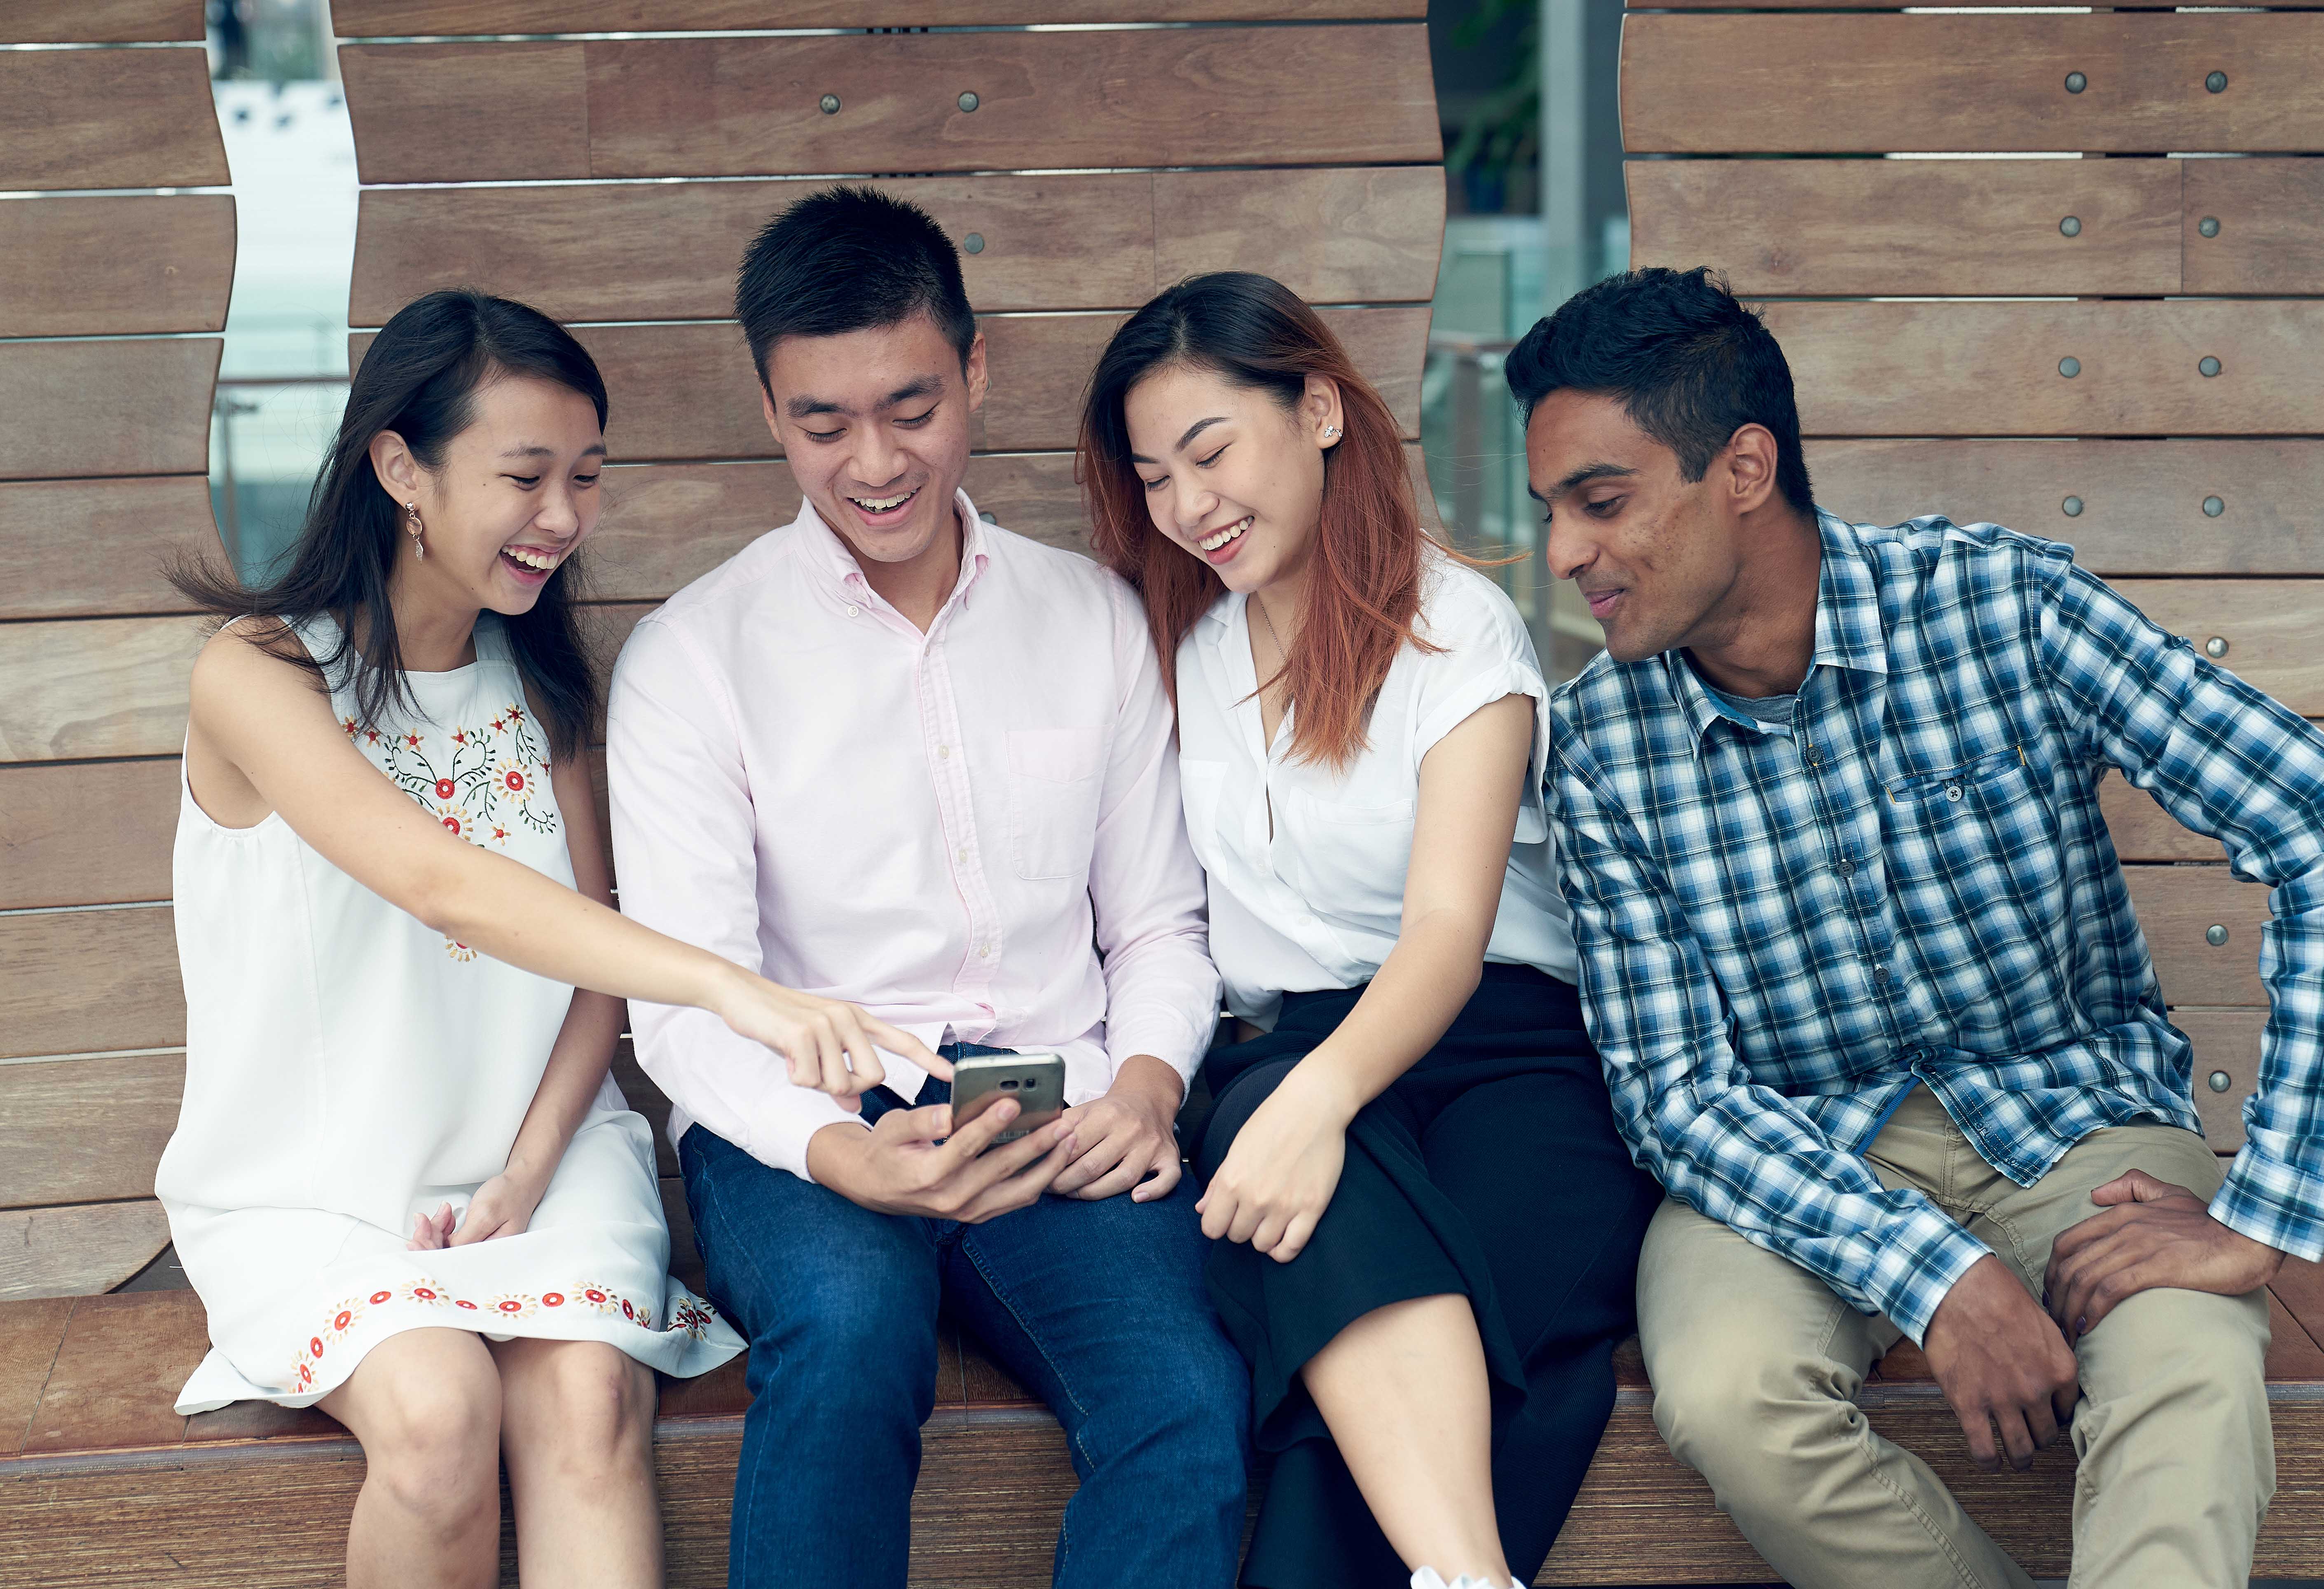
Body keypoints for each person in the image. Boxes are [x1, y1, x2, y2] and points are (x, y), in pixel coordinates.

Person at [1518, 266, 2324, 1589]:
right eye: (1555, 514)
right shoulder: (1595, 745)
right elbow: (1677, 1097)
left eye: (1603, 499)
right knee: (1728, 1391)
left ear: (1743, 467)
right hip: (1781, 1156)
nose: (1567, 553)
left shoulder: (2001, 607)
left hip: (2076, 1120)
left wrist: (2271, 1212)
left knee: (2188, 1371)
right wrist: (1937, 1276)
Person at [160, 289, 943, 1587]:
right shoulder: (258, 675)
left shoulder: (549, 687)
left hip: (544, 1160)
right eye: (525, 477)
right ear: (400, 465)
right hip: (315, 1187)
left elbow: (589, 968)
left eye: (585, 477)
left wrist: (526, 1174)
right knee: (438, 1416)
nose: (565, 519)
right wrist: (740, 992)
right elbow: (443, 886)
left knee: (587, 1411)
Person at [603, 186, 1249, 1589]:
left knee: (1188, 1400)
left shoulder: (1095, 619)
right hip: (808, 1121)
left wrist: (1144, 1084)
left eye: (911, 407)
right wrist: (837, 1150)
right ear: (770, 411)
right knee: (846, 1342)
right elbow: (687, 1005)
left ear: (977, 373)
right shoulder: (693, 658)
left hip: (1058, 1107)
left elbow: (1155, 924)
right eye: (822, 423)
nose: (875, 461)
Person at [1077, 271, 1663, 1589]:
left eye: (1212, 450)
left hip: (1503, 1050)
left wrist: (1312, 1106)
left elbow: (1449, 936)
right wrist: (1280, 1100)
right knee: (1331, 1261)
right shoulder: (1187, 651)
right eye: (1155, 475)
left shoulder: (1458, 629)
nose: (1190, 505)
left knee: (1445, 1357)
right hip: (1283, 1050)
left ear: (1323, 411)